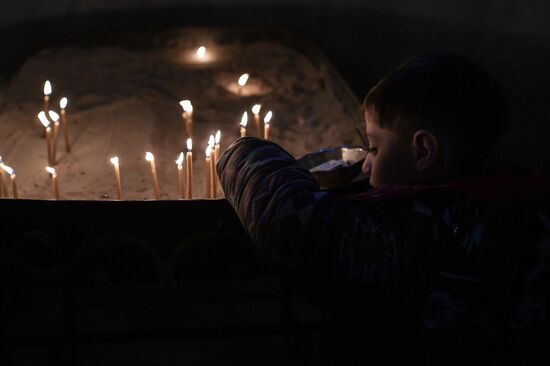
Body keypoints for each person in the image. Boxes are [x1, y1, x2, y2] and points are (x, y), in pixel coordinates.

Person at [217, 52, 550, 365]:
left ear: (423, 151)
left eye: (374, 148)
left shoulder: (418, 235)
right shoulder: (512, 202)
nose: (365, 166)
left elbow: (291, 224)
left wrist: (246, 152)